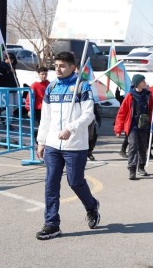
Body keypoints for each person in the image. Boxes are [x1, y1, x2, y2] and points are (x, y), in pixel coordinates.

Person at [35, 51, 100, 240]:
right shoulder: (52, 87)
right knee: (51, 184)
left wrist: (71, 128)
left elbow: (89, 115)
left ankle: (92, 206)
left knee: (75, 182)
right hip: (54, 146)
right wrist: (41, 141)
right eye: (56, 65)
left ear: (73, 67)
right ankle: (51, 224)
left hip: (75, 145)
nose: (58, 69)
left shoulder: (82, 87)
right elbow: (46, 118)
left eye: (62, 66)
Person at [114, 74, 153, 180]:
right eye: (142, 81)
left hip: (144, 125)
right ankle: (132, 169)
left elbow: (152, 110)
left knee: (142, 147)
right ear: (137, 83)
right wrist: (118, 129)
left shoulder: (148, 95)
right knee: (133, 147)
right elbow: (122, 113)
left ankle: (141, 167)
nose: (144, 83)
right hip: (132, 126)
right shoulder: (130, 96)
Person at [115, 87, 129, 158]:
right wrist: (118, 88)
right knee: (128, 136)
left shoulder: (133, 97)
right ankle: (122, 150)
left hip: (130, 119)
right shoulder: (123, 98)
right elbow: (117, 96)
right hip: (125, 119)